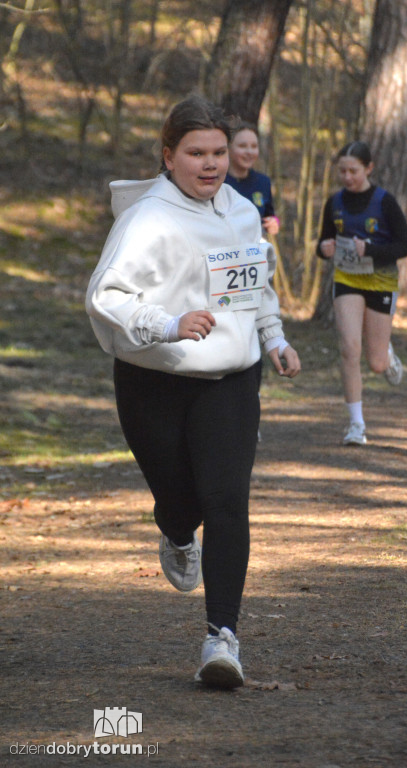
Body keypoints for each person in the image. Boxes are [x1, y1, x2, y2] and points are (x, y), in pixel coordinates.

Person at [86, 95, 301, 689]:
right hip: (154, 380)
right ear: (169, 156)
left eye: (219, 153)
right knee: (182, 502)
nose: (210, 165)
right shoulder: (145, 219)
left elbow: (254, 288)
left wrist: (274, 339)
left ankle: (222, 640)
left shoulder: (240, 212)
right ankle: (177, 532)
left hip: (231, 378)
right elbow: (105, 298)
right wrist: (168, 322)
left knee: (227, 499)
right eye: (196, 153)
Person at [317, 140, 407, 446]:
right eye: (342, 171)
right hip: (347, 280)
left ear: (368, 168)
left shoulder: (385, 202)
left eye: (353, 171)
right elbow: (324, 242)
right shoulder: (334, 202)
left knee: (376, 363)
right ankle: (356, 425)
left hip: (381, 282)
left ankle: (386, 352)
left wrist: (369, 249)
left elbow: (405, 246)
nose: (347, 177)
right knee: (348, 348)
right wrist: (324, 248)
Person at [225, 121, 280, 237]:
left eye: (254, 146)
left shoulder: (263, 182)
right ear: (228, 148)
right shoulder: (217, 183)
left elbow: (269, 215)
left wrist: (274, 223)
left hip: (254, 250)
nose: (249, 152)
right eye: (242, 146)